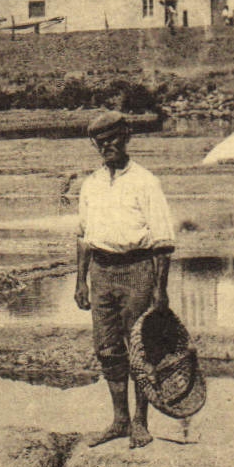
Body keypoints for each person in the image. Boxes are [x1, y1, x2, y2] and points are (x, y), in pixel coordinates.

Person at [74, 112, 177, 449]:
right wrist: (81, 282)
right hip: (101, 272)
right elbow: (83, 237)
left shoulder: (145, 182)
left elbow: (162, 241)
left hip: (137, 270)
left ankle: (140, 423)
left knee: (139, 349)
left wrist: (160, 290)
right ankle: (119, 420)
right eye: (100, 142)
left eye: (113, 139)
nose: (107, 147)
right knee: (107, 349)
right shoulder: (91, 184)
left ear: (127, 137)